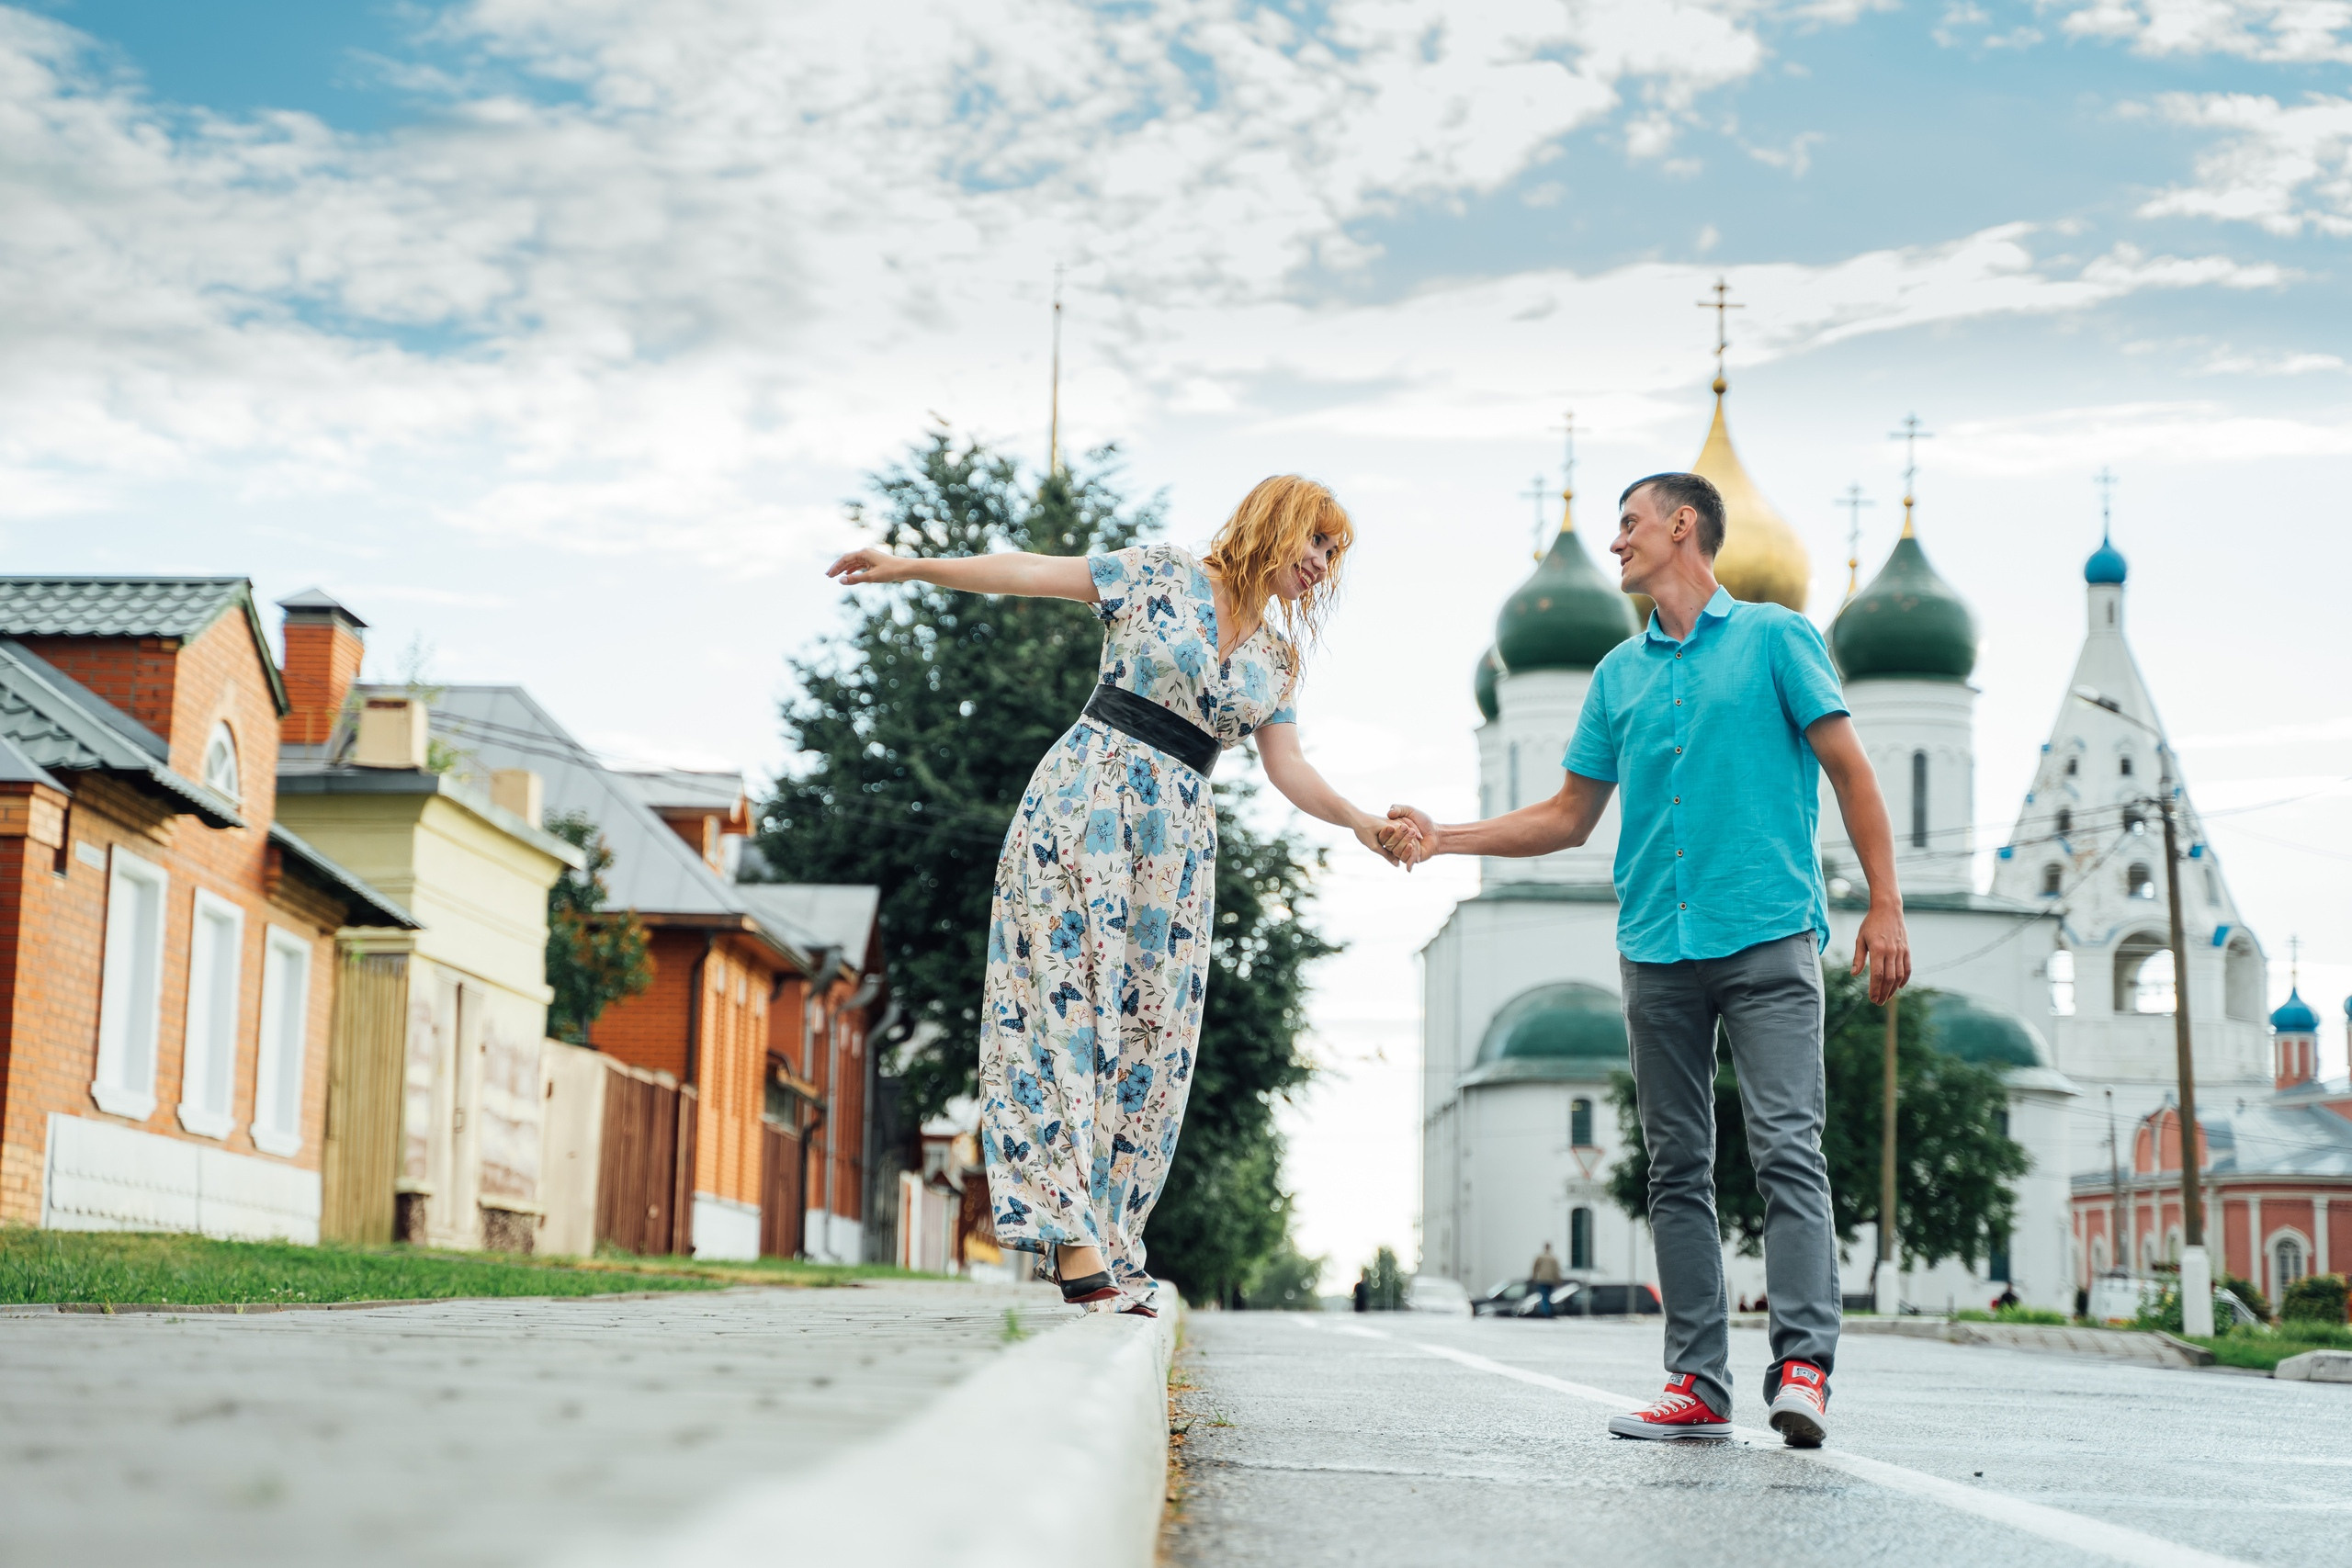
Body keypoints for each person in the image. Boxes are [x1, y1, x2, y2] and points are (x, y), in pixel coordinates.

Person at [1383, 470, 1908, 1449]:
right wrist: (1442, 836)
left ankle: (1802, 1368)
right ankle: (1695, 1384)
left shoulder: (1775, 639)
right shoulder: (1617, 674)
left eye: (1627, 525)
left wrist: (1885, 903)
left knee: (1787, 1150)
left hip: (1766, 936)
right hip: (1656, 950)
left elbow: (1850, 768)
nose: (1615, 543)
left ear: (1680, 527)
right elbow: (1566, 816)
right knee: (1676, 1166)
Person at [828, 477, 1408, 1316]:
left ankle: (1114, 1235)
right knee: (1058, 1012)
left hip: (1177, 847)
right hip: (1084, 801)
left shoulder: (1277, 660)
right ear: (1273, 523)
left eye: (1333, 554)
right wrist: (908, 566)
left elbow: (1289, 769)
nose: (1320, 564)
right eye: (1314, 542)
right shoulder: (1156, 574)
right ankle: (1071, 1237)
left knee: (1152, 1040)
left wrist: (1357, 819)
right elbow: (1026, 570)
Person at [1531, 1242, 1564, 1317]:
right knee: (1548, 1296)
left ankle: (1546, 1312)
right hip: (1551, 1280)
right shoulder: (1554, 1258)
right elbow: (1556, 1270)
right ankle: (1549, 1311)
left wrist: (1534, 1277)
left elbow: (1535, 1268)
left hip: (1542, 1279)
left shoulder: (1540, 1257)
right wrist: (1558, 1281)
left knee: (1544, 1296)